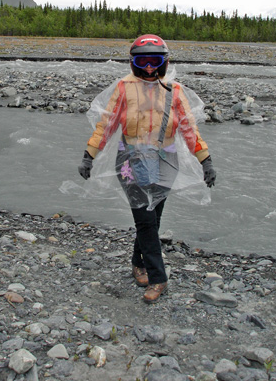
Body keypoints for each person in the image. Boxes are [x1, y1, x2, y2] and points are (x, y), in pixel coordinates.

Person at [78, 34, 216, 304]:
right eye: (143, 61)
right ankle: (158, 277)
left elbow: (189, 128)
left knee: (153, 219)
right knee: (144, 218)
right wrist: (88, 155)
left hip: (166, 160)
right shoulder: (123, 88)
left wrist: (205, 160)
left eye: (155, 61)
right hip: (129, 160)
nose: (150, 67)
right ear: (133, 62)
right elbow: (106, 125)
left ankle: (137, 263)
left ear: (165, 62)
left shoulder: (174, 92)